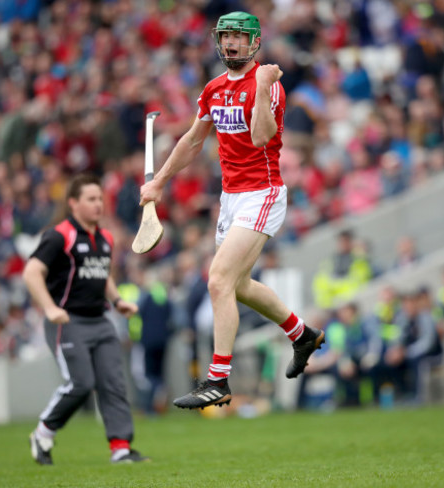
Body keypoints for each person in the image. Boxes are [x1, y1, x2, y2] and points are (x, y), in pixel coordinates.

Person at [139, 11, 325, 410]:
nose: (230, 44)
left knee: (218, 280)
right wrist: (159, 182)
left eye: (239, 37)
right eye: (225, 36)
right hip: (231, 197)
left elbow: (261, 136)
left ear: (255, 42)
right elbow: (192, 141)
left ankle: (217, 380)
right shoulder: (213, 89)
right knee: (238, 287)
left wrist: (260, 86)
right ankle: (302, 334)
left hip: (263, 193)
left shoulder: (270, 86)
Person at [23, 173, 149, 464]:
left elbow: (100, 274)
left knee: (113, 383)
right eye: (91, 199)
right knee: (80, 383)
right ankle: (43, 433)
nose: (98, 205)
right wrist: (50, 308)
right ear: (73, 203)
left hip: (100, 320)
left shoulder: (104, 237)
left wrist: (117, 301)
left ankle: (120, 448)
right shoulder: (58, 236)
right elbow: (31, 272)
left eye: (100, 199)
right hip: (68, 322)